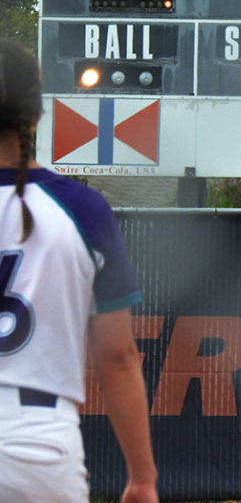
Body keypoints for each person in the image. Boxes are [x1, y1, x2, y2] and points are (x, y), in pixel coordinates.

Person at [0, 38, 158, 503]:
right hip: (37, 440)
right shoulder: (81, 208)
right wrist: (143, 478)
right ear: (37, 116)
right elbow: (117, 357)